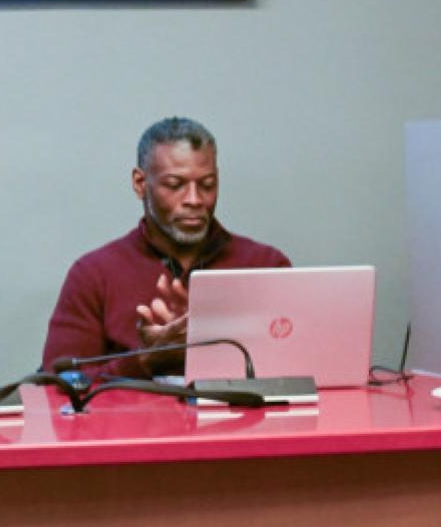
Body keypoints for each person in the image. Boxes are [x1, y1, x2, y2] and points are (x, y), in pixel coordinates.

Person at [42, 117, 290, 380]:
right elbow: (57, 389)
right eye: (175, 185)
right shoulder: (93, 275)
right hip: (131, 422)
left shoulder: (267, 266)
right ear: (140, 183)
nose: (194, 200)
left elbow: (301, 375)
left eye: (207, 185)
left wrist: (212, 344)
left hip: (242, 422)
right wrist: (146, 361)